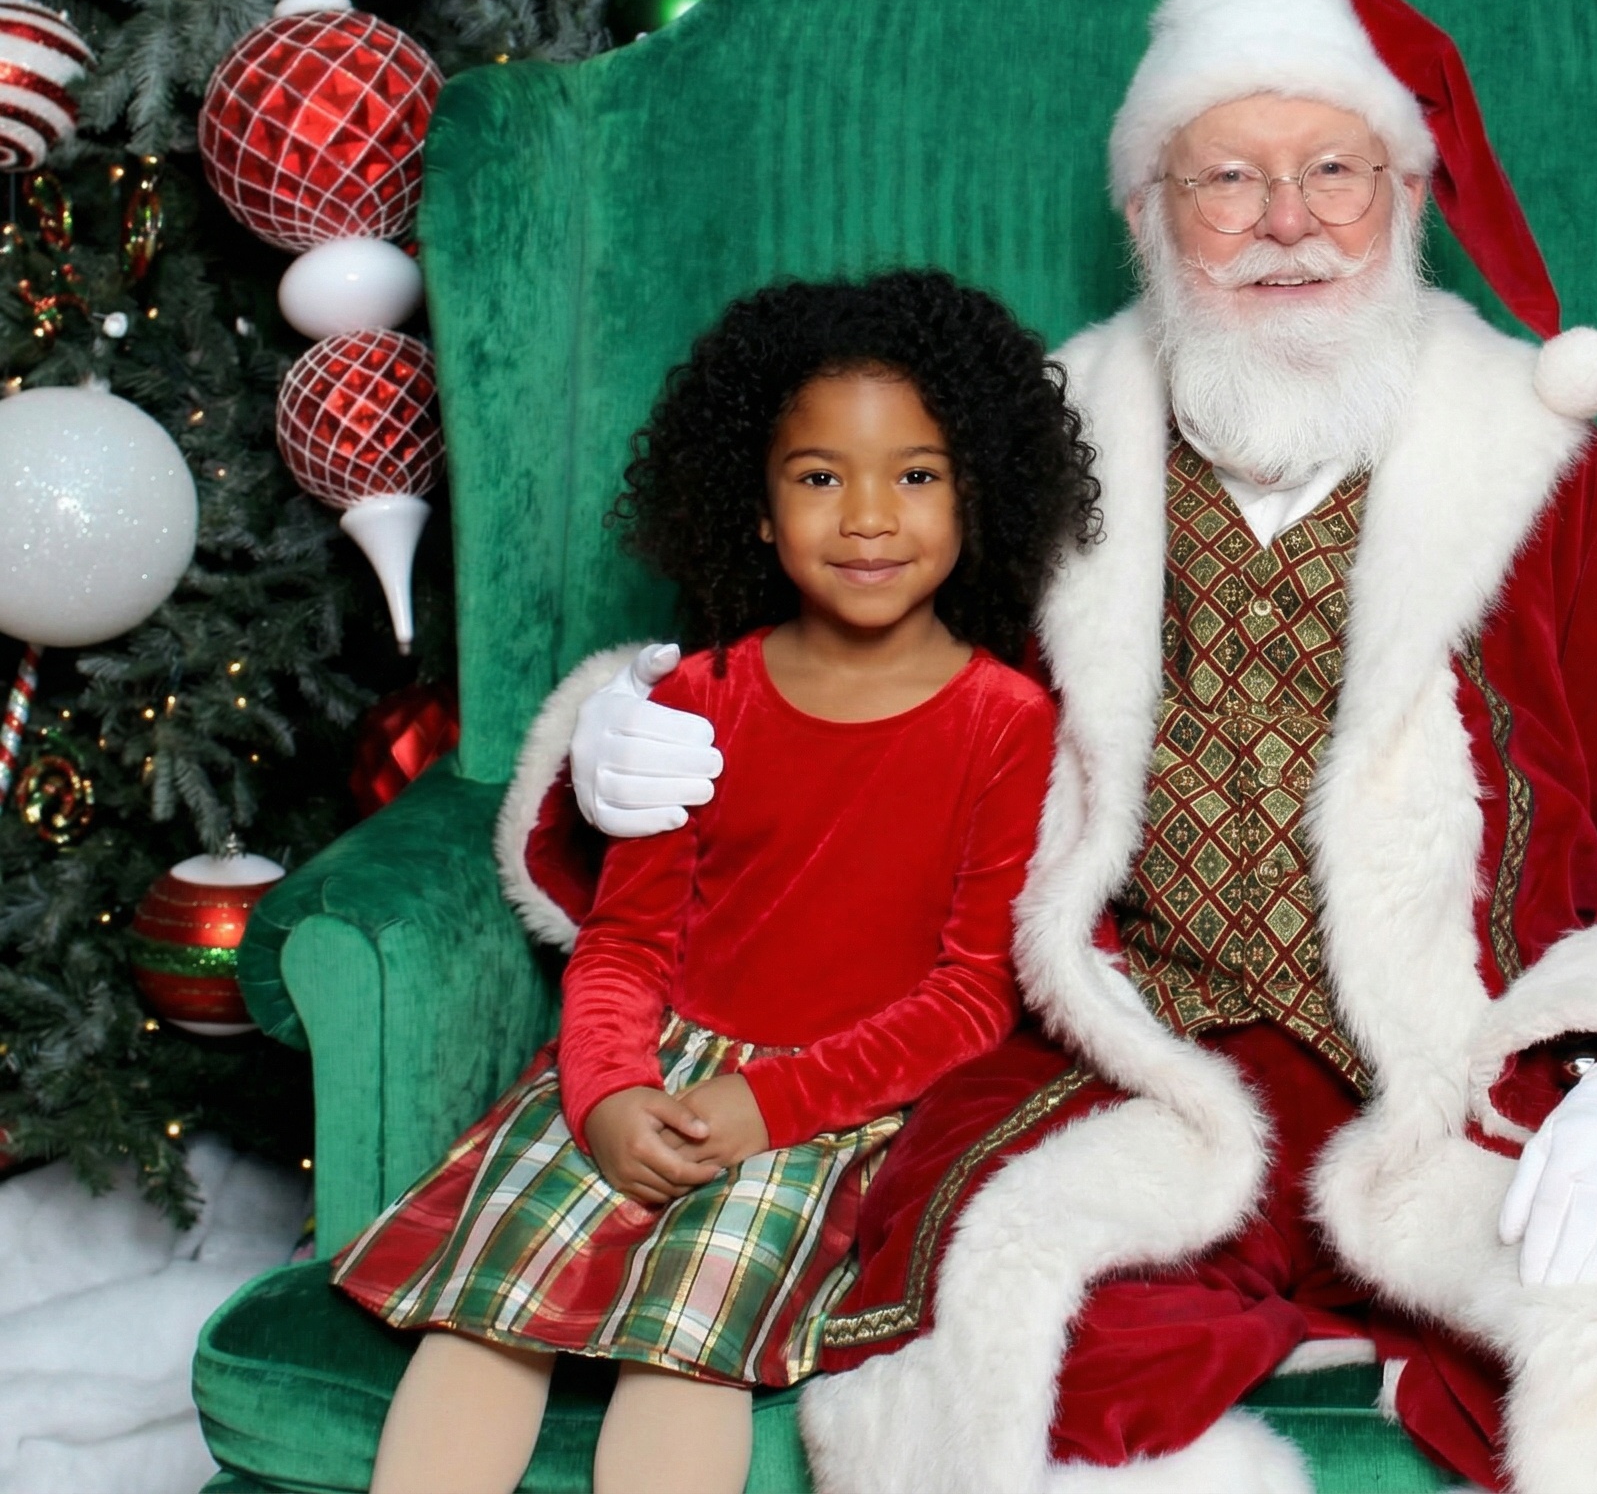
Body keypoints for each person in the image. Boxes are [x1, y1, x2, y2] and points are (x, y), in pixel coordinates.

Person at [514, 0, 1597, 1494]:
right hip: (1128, 1059)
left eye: (1334, 174)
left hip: (1469, 1069)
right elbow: (832, 689)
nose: (1288, 222)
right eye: (1228, 177)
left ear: (1407, 197)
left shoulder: (1536, 463)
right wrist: (630, 749)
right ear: (1147, 215)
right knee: (987, 1317)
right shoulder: (1038, 444)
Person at [334, 271, 1097, 1494]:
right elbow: (625, 942)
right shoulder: (695, 702)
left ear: (978, 497)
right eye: (817, 476)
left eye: (915, 474)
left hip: (827, 1106)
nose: (867, 517)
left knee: (688, 1349)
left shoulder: (1007, 725)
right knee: (480, 1317)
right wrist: (606, 1096)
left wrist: (769, 1107)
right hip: (653, 1065)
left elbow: (969, 996)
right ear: (753, 506)